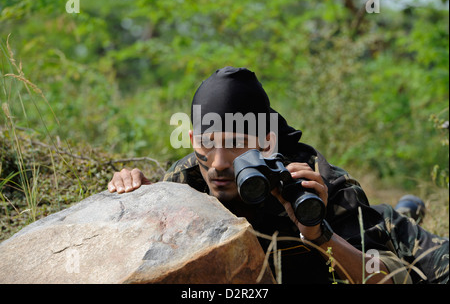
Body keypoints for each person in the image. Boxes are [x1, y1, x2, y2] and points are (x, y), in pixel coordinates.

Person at [108, 66, 448, 284]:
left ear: (266, 143)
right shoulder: (187, 179)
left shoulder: (318, 182)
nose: (218, 163)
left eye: (238, 145)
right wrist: (141, 202)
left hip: (377, 233)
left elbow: (387, 279)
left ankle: (404, 212)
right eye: (207, 144)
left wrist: (318, 234)